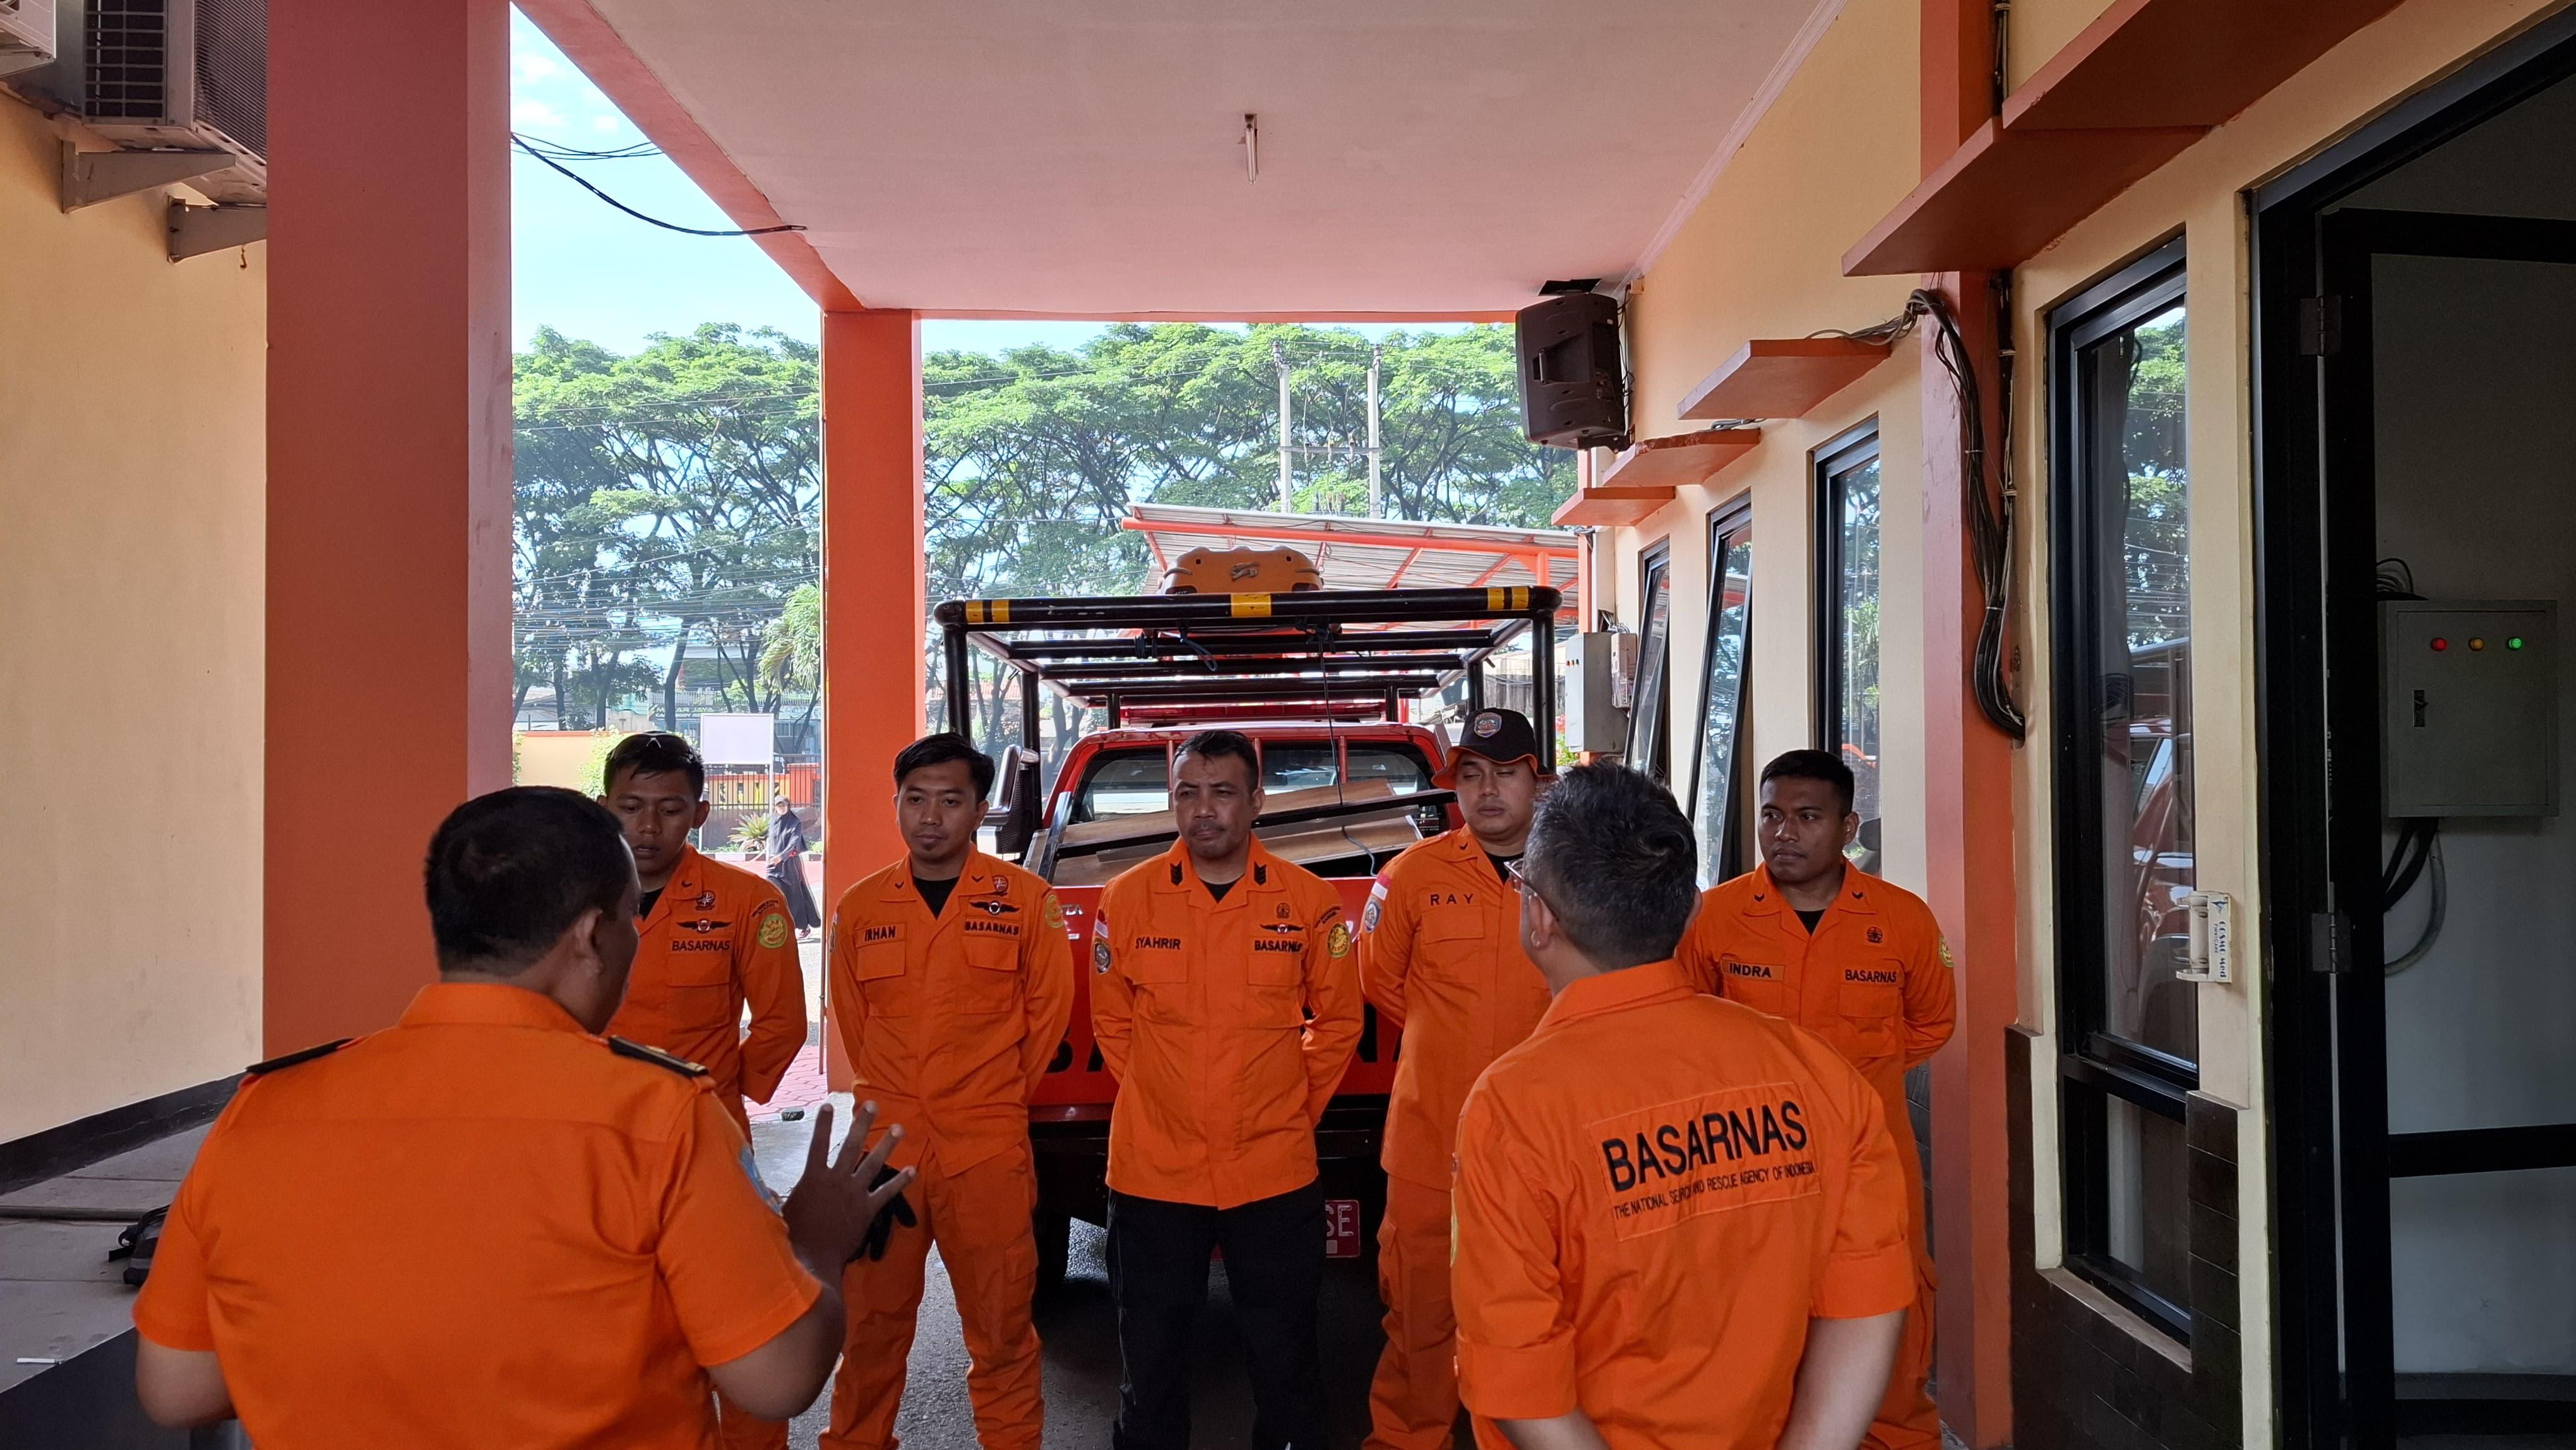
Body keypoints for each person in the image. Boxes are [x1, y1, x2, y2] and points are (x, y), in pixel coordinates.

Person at [131, 786, 915, 1447]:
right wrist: (816, 1238)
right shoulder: (659, 1115)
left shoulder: (264, 1110)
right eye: (630, 922)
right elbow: (776, 1379)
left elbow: (178, 1388)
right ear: (591, 936)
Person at [1450, 764, 1914, 1450]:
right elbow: (1866, 1307)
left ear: (1539, 917)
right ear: (1694, 913)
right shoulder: (1816, 1072)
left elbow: (1520, 1382)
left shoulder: (1513, 1108)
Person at [1674, 750, 1958, 1450]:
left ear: (1848, 827)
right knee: (1754, 1323)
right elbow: (1683, 1024)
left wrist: (1856, 1086)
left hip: (1873, 1164)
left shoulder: (1902, 920)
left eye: (1807, 817)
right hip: (1748, 1166)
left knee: (1889, 1319)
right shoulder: (1714, 918)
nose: (1785, 833)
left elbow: (1931, 1023)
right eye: (1772, 815)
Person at [1092, 728, 1363, 1450]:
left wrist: (1285, 1109)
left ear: (1256, 801)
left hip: (1272, 1174)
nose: (1203, 809)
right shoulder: (1128, 899)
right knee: (1149, 1370)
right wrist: (1164, 1100)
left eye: (1222, 792)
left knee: (1287, 1366)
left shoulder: (1308, 902)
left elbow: (1339, 1022)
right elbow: (1113, 1024)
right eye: (1188, 792)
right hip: (1153, 1175)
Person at [822, 733, 1076, 1450]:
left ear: (980, 809)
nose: (929, 817)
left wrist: (990, 1097)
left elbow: (1047, 1016)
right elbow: (854, 1021)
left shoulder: (1025, 901)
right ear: (897, 804)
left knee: (1001, 1328)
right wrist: (899, 1101)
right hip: (885, 1153)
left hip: (986, 1147)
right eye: (915, 799)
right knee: (870, 1329)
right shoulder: (861, 907)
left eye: (950, 800)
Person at [1357, 708, 1555, 1450]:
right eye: (1471, 775)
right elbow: (1382, 982)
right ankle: (1411, 1438)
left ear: (1540, 782)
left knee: (1542, 1313)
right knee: (1419, 1313)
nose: (1487, 790)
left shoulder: (1578, 875)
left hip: (1548, 1149)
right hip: (1430, 1143)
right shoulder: (1412, 876)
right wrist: (1453, 1042)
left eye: (1505, 774)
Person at [597, 732, 809, 1139]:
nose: (649, 826)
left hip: (706, 1128)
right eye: (631, 808)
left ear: (700, 814)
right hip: (598, 1126)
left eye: (670, 810)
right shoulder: (568, 899)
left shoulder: (749, 900)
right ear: (604, 810)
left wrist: (721, 1086)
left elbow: (782, 1024)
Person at [765, 790, 823, 940]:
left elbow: (793, 843)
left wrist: (782, 857)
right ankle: (777, 925)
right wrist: (772, 857)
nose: (781, 808)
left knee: (794, 895)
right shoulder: (773, 821)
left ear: (788, 806)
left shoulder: (795, 823)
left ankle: (803, 926)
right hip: (774, 866)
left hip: (790, 865)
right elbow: (771, 841)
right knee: (773, 892)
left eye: (783, 806)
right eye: (779, 806)